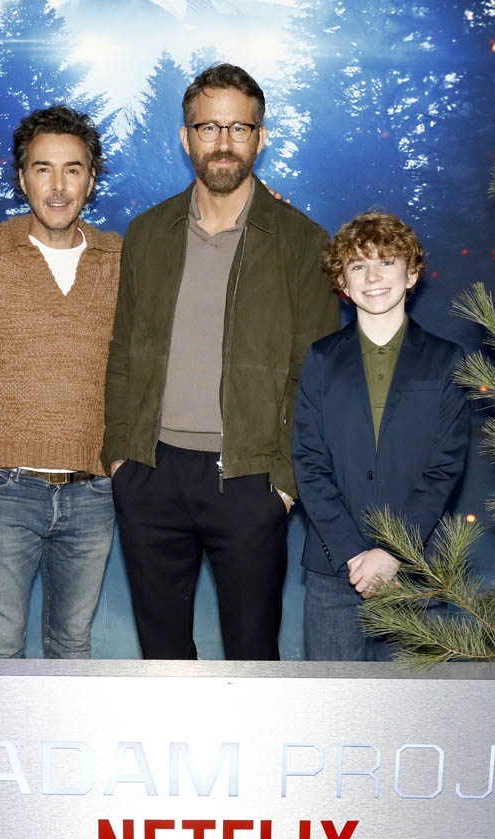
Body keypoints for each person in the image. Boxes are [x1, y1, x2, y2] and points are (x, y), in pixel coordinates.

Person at [102, 64, 338, 660]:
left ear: (261, 137)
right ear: (186, 138)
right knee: (162, 663)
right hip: (150, 474)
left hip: (249, 480)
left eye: (239, 127)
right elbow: (123, 351)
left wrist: (282, 484)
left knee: (253, 658)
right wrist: (120, 459)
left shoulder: (303, 242)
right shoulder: (148, 233)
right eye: (209, 127)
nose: (224, 142)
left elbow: (313, 374)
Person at [0, 105, 120, 659]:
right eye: (42, 169)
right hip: (1, 490)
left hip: (94, 491)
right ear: (21, 177)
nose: (58, 186)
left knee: (72, 647)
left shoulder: (122, 260)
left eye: (72, 169)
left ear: (91, 179)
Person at [292, 212, 469, 660]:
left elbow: (444, 468)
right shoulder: (321, 359)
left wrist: (391, 552)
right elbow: (309, 463)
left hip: (415, 571)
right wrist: (354, 553)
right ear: (342, 283)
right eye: (358, 265)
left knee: (411, 703)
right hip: (335, 569)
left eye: (386, 262)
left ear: (411, 275)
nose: (372, 277)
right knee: (333, 701)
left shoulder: (446, 361)